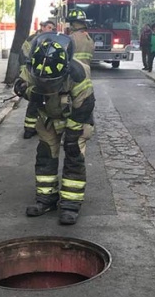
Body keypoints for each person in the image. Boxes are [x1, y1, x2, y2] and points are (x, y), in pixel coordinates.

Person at [13, 33, 95, 225]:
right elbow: (23, 87)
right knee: (45, 155)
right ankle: (46, 199)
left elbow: (85, 105)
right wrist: (23, 89)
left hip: (75, 116)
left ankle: (70, 205)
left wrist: (73, 135)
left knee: (74, 155)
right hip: (47, 117)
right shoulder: (34, 67)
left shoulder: (78, 73)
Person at [20, 21, 55, 139]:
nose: (51, 30)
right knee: (34, 99)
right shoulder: (32, 40)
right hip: (32, 74)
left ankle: (44, 125)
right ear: (43, 27)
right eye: (49, 27)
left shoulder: (51, 41)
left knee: (47, 99)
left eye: (52, 28)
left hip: (45, 74)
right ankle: (29, 129)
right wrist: (24, 77)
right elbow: (24, 57)